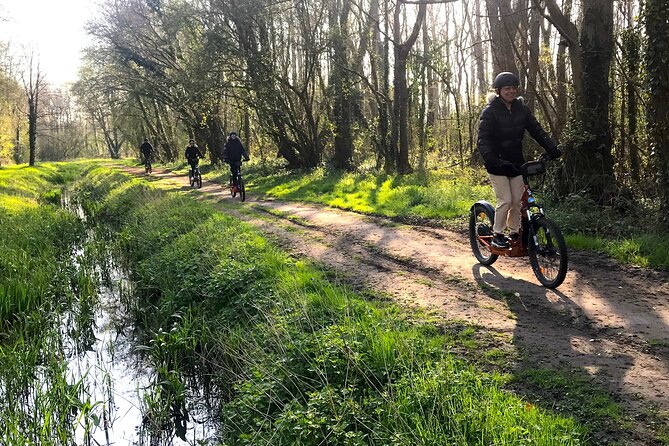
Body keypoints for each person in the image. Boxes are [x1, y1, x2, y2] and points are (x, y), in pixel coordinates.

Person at [477, 72, 562, 249]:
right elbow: (483, 139)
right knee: (506, 200)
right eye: (507, 88)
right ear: (499, 91)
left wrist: (552, 149)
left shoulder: (522, 109)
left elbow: (537, 130)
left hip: (516, 163)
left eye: (514, 88)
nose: (511, 91)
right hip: (496, 164)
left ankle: (514, 232)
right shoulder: (490, 112)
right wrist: (490, 158)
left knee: (518, 201)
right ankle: (497, 234)